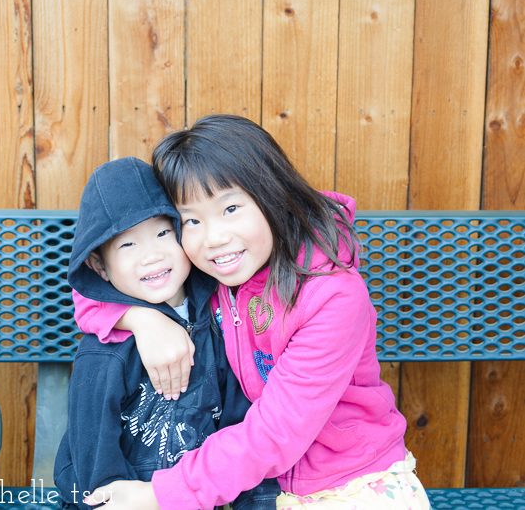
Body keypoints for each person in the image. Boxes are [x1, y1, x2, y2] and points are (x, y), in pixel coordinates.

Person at [76, 117, 430, 510]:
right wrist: (141, 320)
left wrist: (161, 494)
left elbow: (277, 431)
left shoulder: (332, 296)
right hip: (256, 485)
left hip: (350, 482)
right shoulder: (215, 270)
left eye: (230, 208)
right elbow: (94, 288)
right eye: (191, 219)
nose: (214, 237)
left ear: (271, 195)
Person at [54, 155, 279, 510]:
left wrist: (261, 501)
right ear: (100, 266)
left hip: (201, 496)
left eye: (163, 233)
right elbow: (94, 463)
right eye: (127, 245)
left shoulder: (220, 319)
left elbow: (242, 421)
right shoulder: (105, 354)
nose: (152, 255)